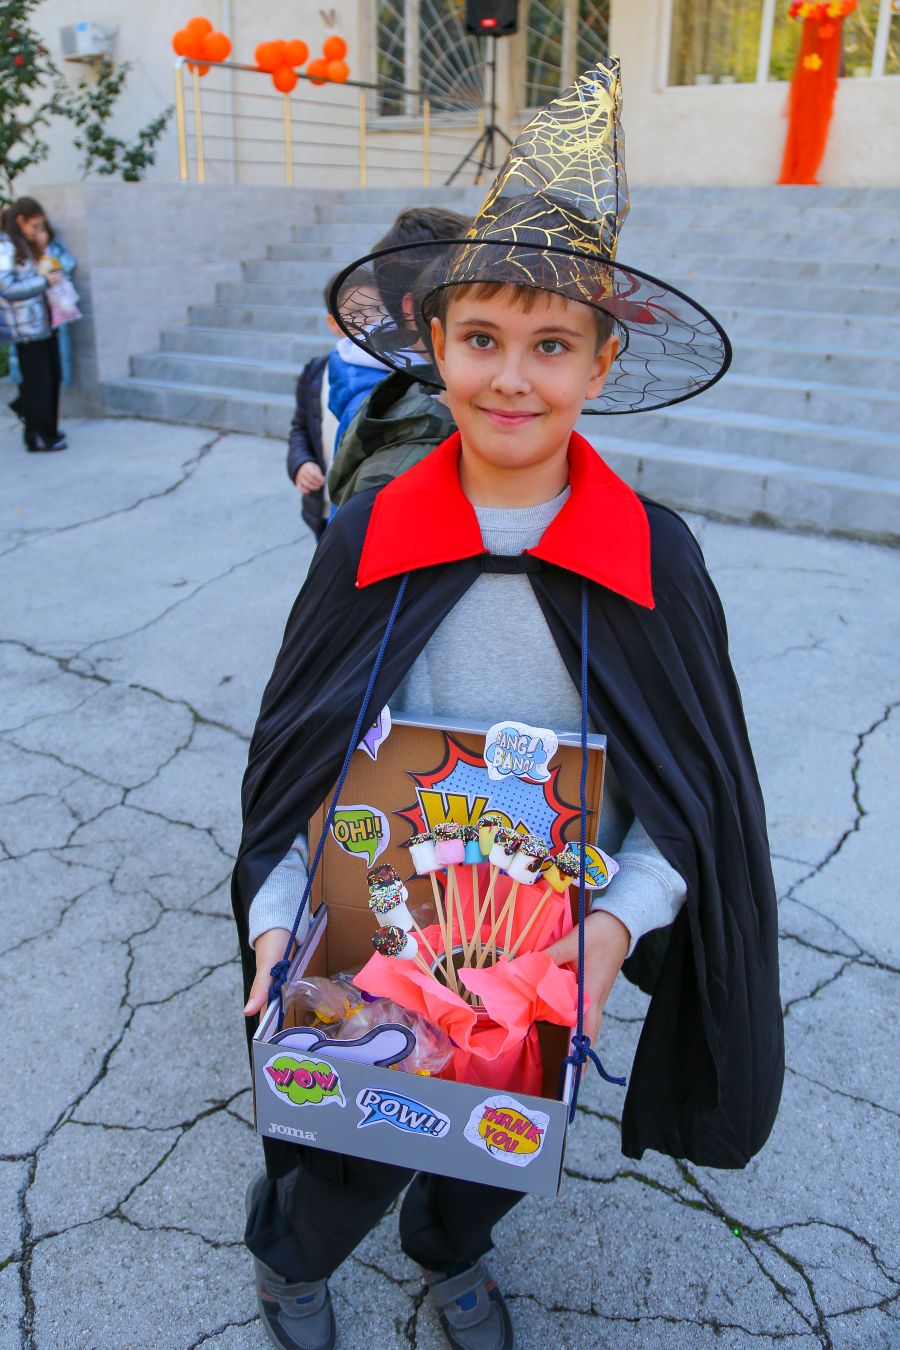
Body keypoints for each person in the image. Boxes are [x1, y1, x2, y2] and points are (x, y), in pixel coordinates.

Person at [233, 60, 783, 1350]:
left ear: (603, 360)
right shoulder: (369, 536)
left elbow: (690, 792)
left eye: (551, 345)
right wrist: (274, 916)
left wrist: (617, 926)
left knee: (495, 1142)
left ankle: (454, 1251)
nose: (513, 379)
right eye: (482, 339)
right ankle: (291, 1260)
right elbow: (298, 757)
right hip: (371, 931)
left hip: (547, 951)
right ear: (436, 347)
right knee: (349, 1149)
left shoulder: (652, 557)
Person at [287, 271, 379, 540]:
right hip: (326, 508)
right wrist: (301, 463)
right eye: (356, 312)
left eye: (377, 309)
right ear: (334, 323)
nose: (370, 319)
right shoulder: (317, 371)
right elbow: (300, 428)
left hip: (368, 510)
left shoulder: (392, 371)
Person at [0, 197, 67, 453]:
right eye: (35, 226)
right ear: (21, 221)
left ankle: (46, 428)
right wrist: (44, 282)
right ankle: (39, 435)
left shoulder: (23, 246)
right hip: (26, 327)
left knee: (51, 377)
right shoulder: (5, 247)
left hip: (42, 323)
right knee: (39, 383)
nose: (38, 230)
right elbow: (7, 289)